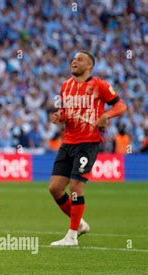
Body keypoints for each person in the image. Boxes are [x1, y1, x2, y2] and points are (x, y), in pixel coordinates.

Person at [49, 51, 127, 246]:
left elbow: (121, 106)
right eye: (73, 58)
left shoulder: (99, 85)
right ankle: (80, 224)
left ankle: (72, 235)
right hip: (68, 143)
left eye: (80, 59)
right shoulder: (65, 86)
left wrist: (105, 116)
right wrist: (60, 117)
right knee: (55, 189)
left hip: (88, 143)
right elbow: (65, 112)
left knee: (76, 186)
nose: (74, 61)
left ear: (90, 66)